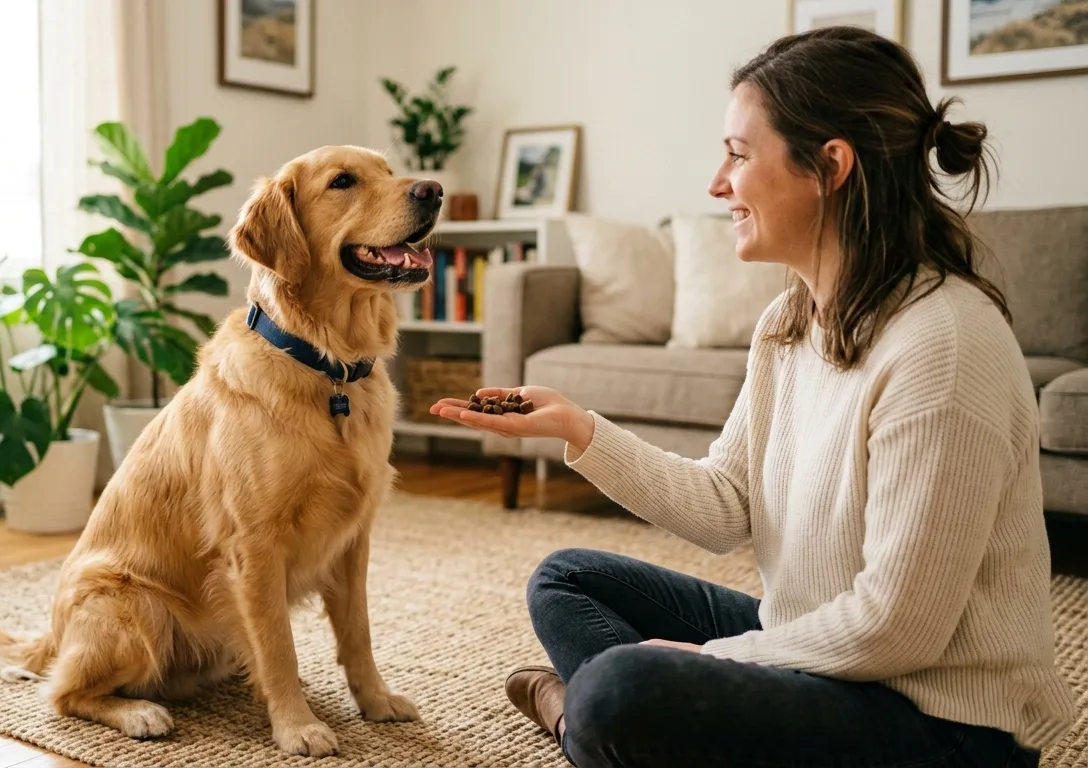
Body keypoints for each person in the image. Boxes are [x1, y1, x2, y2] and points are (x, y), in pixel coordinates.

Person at [430, 25, 1075, 768]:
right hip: (819, 652)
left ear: (830, 166)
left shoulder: (945, 346)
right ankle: (608, 724)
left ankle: (584, 717)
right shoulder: (790, 321)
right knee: (568, 579)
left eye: (738, 154)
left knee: (620, 689)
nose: (716, 184)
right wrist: (579, 429)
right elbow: (727, 504)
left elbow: (899, 630)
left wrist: (728, 659)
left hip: (940, 722)